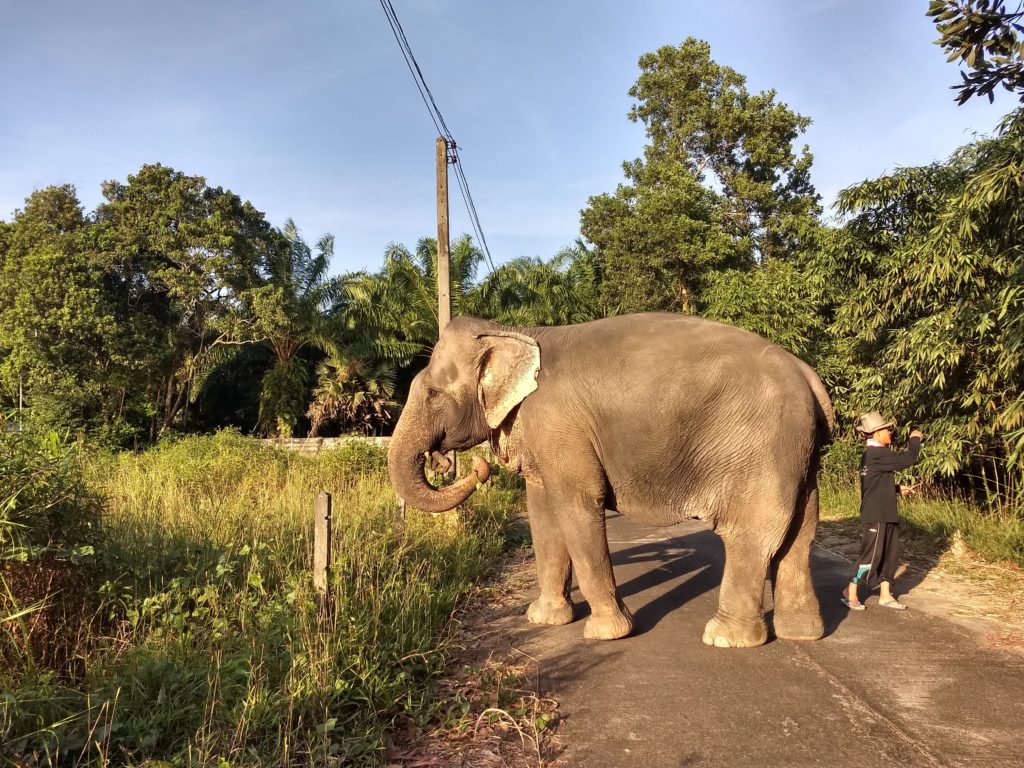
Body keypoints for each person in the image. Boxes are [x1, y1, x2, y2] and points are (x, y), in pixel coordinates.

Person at [841, 411, 924, 611]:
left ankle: (886, 595)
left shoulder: (873, 455)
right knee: (871, 556)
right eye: (887, 429)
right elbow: (909, 458)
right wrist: (915, 440)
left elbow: (873, 484)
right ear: (877, 433)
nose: (890, 433)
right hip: (876, 514)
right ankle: (850, 592)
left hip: (886, 512)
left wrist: (896, 489)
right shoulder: (876, 454)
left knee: (890, 555)